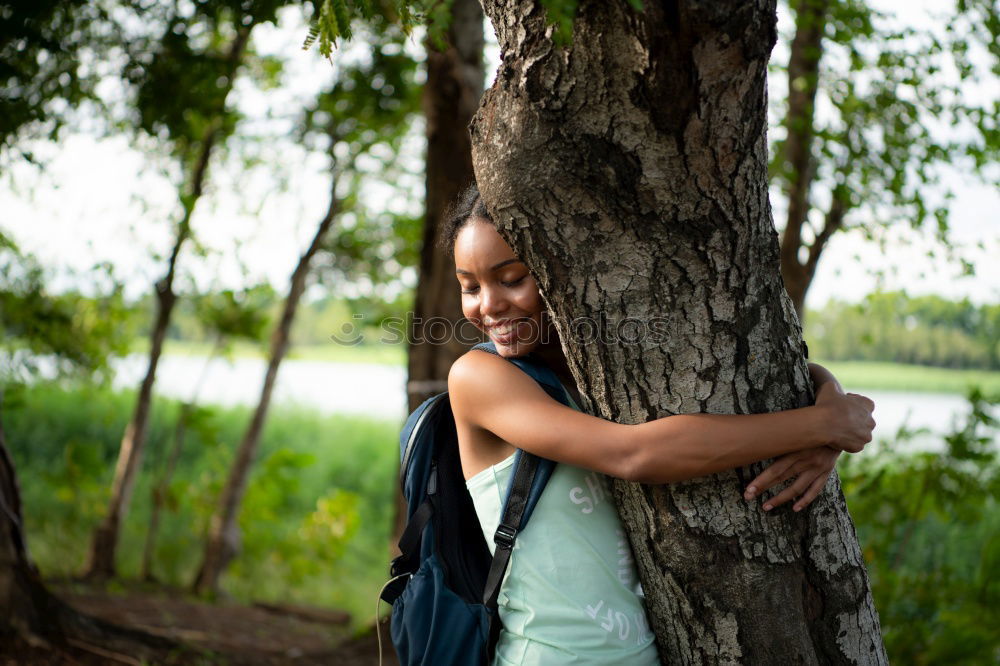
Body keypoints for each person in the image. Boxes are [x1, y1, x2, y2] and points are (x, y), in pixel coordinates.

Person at [442, 185, 875, 665]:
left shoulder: (593, 369)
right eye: (471, 286)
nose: (488, 304)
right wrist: (821, 424)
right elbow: (637, 454)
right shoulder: (478, 378)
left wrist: (826, 401)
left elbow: (764, 382)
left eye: (511, 279)